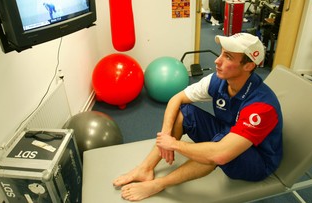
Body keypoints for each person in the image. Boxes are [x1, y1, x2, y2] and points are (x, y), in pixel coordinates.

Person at [112, 33, 283, 202]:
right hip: (228, 132)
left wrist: (174, 144)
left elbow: (221, 155)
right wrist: (165, 135)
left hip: (258, 161)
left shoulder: (261, 107)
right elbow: (176, 99)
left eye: (228, 57)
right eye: (221, 52)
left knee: (217, 148)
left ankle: (159, 184)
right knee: (185, 112)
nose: (217, 60)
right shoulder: (219, 80)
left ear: (248, 66)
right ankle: (145, 168)